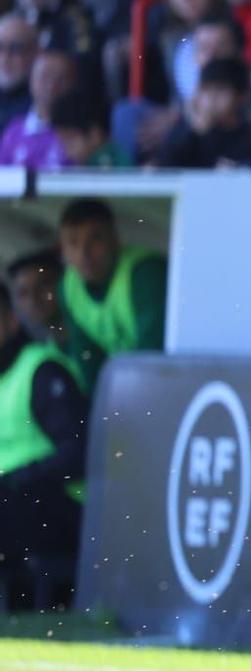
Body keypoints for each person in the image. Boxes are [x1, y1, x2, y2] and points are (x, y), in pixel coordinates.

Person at [0, 281, 88, 612]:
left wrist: (16, 480)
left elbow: (77, 453)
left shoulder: (41, 370)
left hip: (57, 508)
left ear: (12, 321)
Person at [56, 196, 167, 392]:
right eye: (73, 243)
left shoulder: (145, 273)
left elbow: (154, 355)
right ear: (62, 250)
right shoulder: (68, 287)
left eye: (95, 239)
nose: (84, 253)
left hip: (163, 383)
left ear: (115, 239)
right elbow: (88, 360)